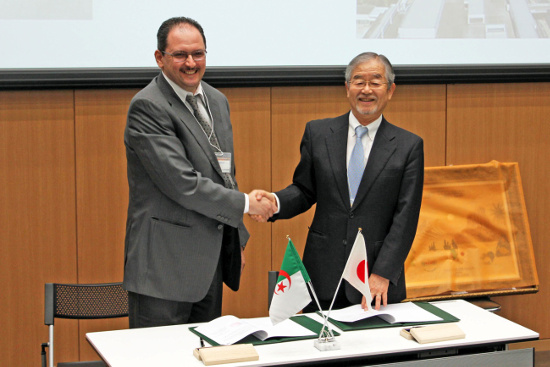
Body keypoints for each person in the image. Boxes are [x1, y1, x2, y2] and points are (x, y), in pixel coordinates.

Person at [123, 16, 275, 328]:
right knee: (160, 358)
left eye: (198, 54)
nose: (191, 63)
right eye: (180, 55)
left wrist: (236, 237)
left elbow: (225, 173)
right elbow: (182, 184)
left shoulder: (216, 100)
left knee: (205, 353)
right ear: (159, 58)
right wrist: (246, 205)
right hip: (163, 268)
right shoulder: (148, 107)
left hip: (209, 263)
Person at [252, 52, 424, 311]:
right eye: (358, 81)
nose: (366, 90)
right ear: (347, 88)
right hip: (322, 275)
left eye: (375, 82)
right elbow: (304, 190)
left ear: (390, 90)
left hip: (375, 281)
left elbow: (405, 219)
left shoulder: (408, 146)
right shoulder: (318, 133)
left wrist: (383, 273)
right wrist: (275, 202)